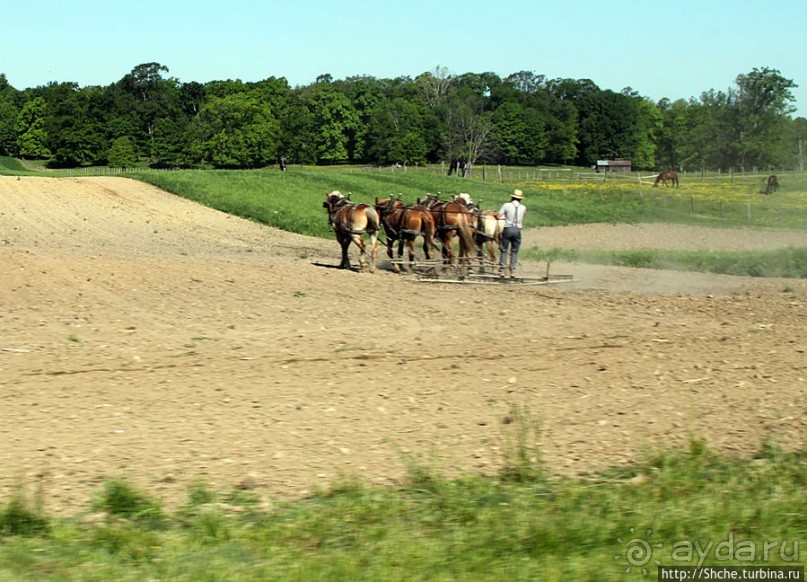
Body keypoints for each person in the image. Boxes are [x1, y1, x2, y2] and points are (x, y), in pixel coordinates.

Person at [498, 189, 526, 277]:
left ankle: (502, 270)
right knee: (514, 251)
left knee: (504, 250)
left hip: (508, 229)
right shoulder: (523, 207)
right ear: (520, 199)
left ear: (512, 197)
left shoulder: (506, 205)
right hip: (517, 230)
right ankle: (513, 271)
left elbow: (498, 215)